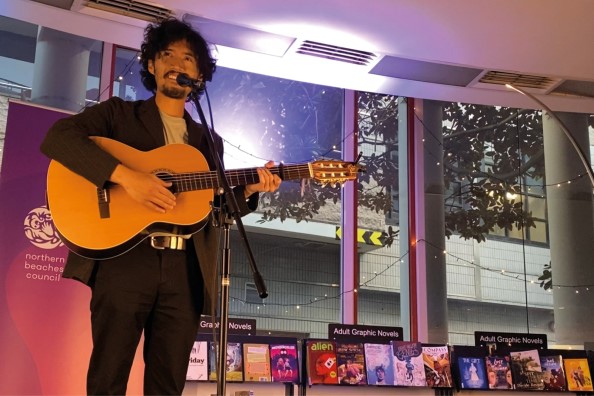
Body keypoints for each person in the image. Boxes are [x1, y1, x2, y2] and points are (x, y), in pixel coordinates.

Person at [40, 18, 281, 395]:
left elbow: (213, 212)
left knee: (167, 382)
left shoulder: (207, 140)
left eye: (188, 59)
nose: (178, 63)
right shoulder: (119, 115)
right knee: (108, 374)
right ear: (151, 65)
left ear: (200, 74)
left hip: (185, 271)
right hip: (125, 262)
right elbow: (58, 138)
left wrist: (250, 189)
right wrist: (127, 177)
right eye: (167, 54)